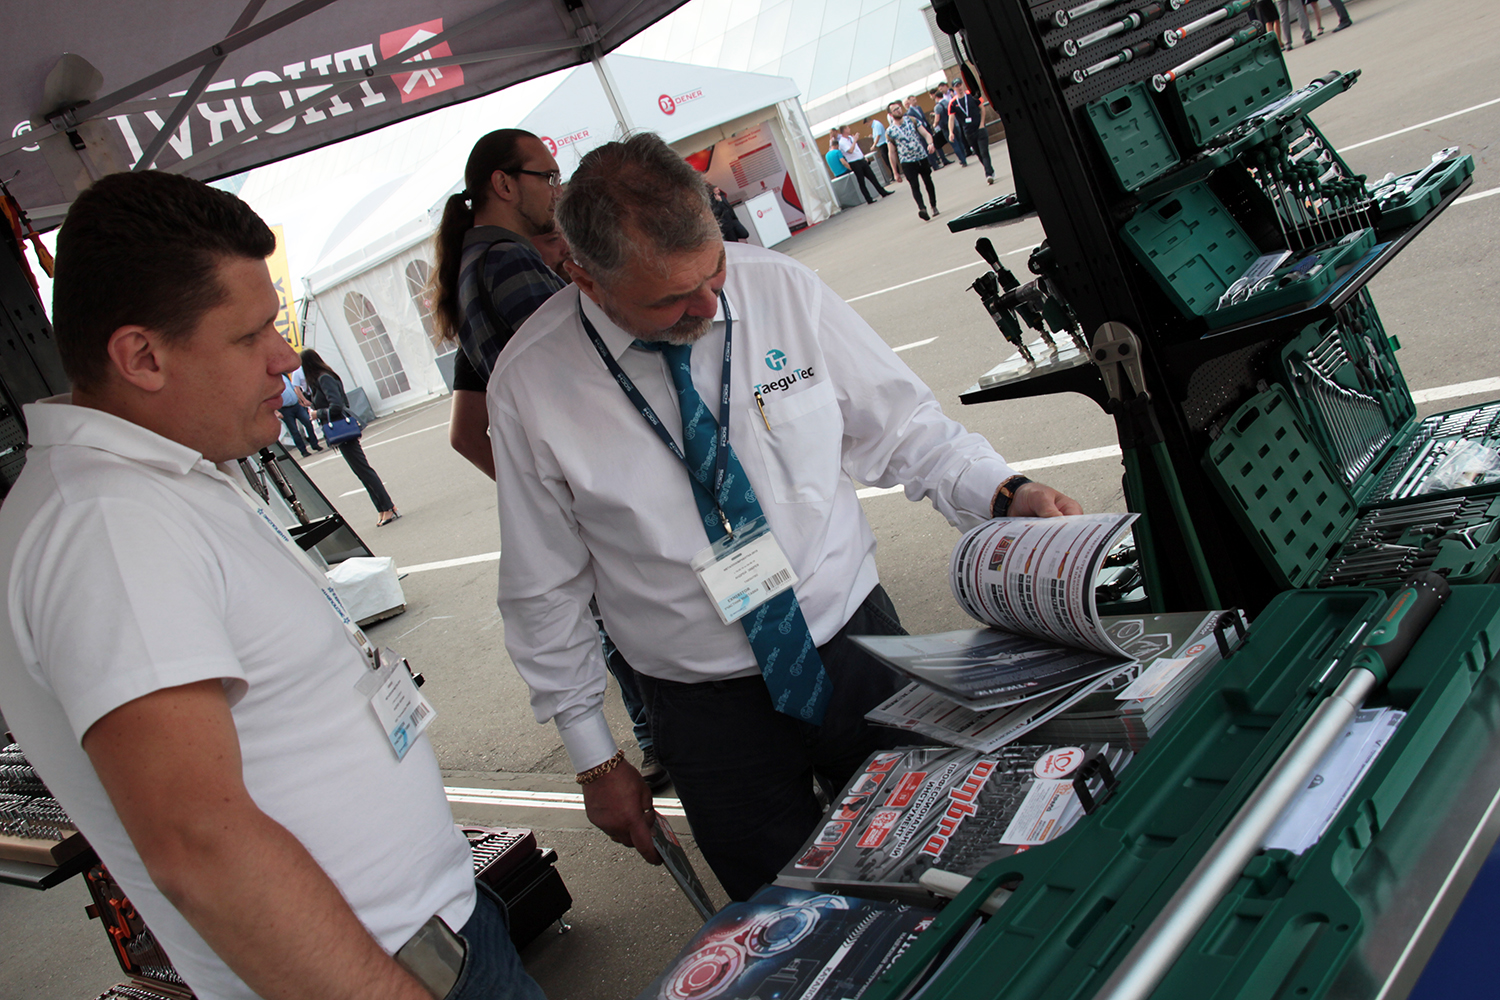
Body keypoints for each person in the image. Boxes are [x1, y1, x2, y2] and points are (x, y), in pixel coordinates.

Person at [487, 132, 1082, 901]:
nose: (708, 306)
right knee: (791, 915)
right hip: (705, 711)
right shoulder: (530, 385)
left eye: (713, 271)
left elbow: (904, 429)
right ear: (583, 276)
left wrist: (1003, 492)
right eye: (669, 299)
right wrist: (594, 758)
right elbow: (543, 586)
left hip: (859, 649)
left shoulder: (779, 292)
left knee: (949, 858)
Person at [0, 169, 545, 1000]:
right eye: (251, 335)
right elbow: (202, 846)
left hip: (433, 934)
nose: (285, 358)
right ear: (141, 356)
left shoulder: (168, 475)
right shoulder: (106, 527)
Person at [299, 348, 399, 527]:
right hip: (339, 431)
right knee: (361, 472)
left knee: (364, 470)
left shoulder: (324, 378)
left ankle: (388, 506)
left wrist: (317, 413)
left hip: (342, 429)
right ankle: (382, 508)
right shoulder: (321, 379)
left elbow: (337, 406)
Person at [887, 102, 940, 220]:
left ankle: (933, 205)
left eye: (899, 108)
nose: (898, 110)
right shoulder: (890, 131)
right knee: (914, 185)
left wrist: (930, 143)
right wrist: (895, 172)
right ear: (890, 114)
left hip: (921, 156)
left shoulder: (912, 120)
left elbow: (926, 134)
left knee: (928, 181)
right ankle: (922, 209)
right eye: (895, 110)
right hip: (907, 161)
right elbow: (891, 152)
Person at [952, 79, 996, 186]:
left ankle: (988, 174)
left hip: (979, 129)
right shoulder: (953, 103)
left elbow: (982, 108)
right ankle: (990, 169)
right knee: (979, 153)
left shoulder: (972, 95)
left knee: (984, 151)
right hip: (969, 132)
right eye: (957, 86)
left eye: (960, 84)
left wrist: (982, 123)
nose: (959, 87)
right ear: (954, 88)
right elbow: (951, 118)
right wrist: (950, 132)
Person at [836, 126, 892, 205]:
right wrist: (854, 141)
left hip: (861, 159)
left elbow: (857, 149)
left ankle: (882, 192)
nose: (849, 129)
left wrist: (863, 156)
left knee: (872, 177)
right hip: (854, 162)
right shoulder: (842, 142)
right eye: (848, 128)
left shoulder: (850, 138)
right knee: (861, 181)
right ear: (844, 130)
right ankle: (868, 198)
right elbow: (850, 150)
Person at [277, 371, 321, 457]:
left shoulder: (284, 376)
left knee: (308, 422)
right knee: (294, 430)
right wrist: (276, 412)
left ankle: (314, 443)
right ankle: (303, 450)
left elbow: (293, 389)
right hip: (284, 409)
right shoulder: (271, 381)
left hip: (296, 405)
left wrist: (300, 401)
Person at [904, 95, 948, 169]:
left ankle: (944, 159)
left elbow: (923, 118)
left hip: (927, 128)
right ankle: (934, 165)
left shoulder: (919, 108)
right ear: (909, 101)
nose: (915, 101)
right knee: (928, 148)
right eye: (913, 100)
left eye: (915, 99)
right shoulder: (910, 112)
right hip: (921, 131)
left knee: (936, 143)